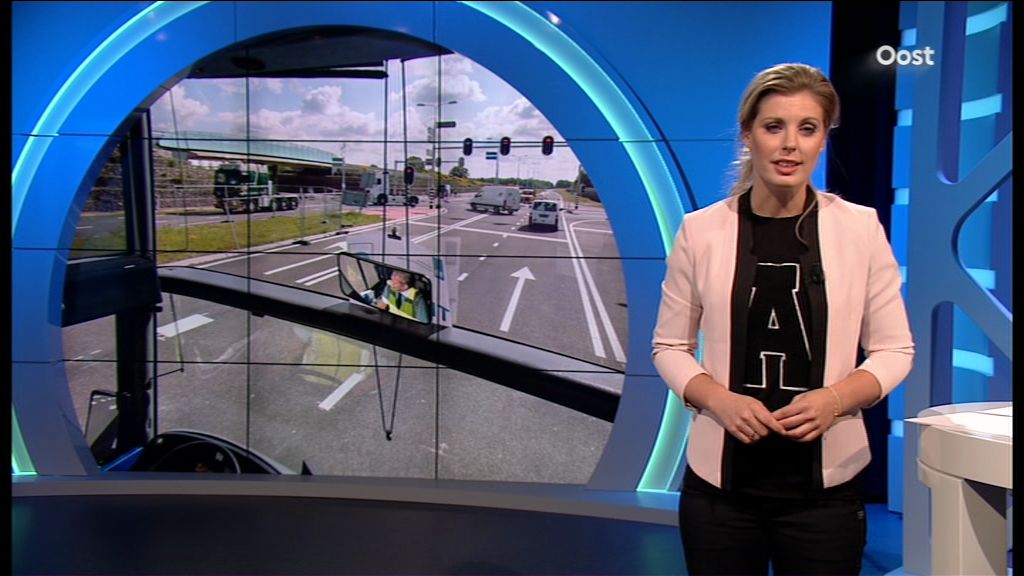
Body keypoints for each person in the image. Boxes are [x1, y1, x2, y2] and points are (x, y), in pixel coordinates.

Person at [651, 63, 914, 575]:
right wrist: (720, 400)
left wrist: (834, 400)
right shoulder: (700, 231)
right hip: (720, 491)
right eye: (774, 127)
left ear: (823, 139)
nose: (790, 144)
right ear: (748, 135)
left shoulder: (859, 228)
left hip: (825, 494)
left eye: (807, 128)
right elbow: (669, 347)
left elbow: (894, 350)